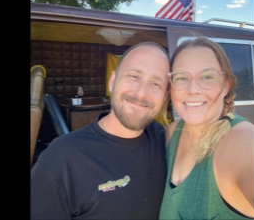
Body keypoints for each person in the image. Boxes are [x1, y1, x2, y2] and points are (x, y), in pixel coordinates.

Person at [31, 41, 171, 220]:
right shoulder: (62, 159)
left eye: (156, 84)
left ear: (165, 97)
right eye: (134, 76)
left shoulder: (162, 140)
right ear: (112, 82)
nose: (141, 93)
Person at [159, 37, 254, 219]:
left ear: (225, 85)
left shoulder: (241, 143)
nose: (193, 89)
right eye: (181, 78)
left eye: (207, 77)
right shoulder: (169, 134)